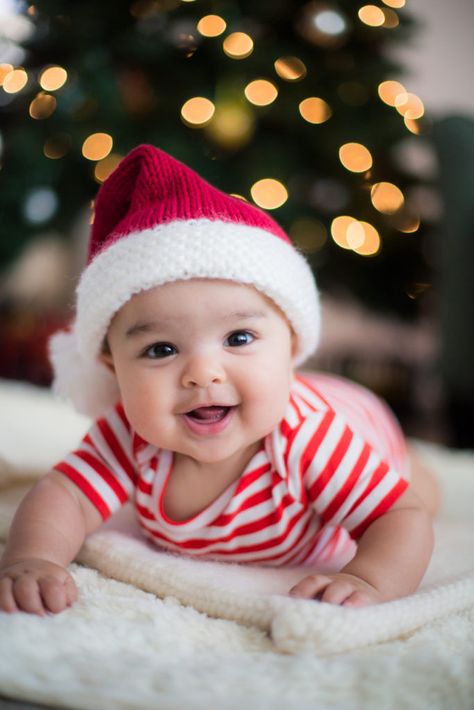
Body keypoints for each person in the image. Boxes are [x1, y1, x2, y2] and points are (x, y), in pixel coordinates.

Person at [0, 145, 439, 616]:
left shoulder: (309, 437)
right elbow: (64, 494)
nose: (203, 373)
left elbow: (396, 516)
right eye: (161, 349)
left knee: (419, 492)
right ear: (113, 367)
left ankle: (416, 462)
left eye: (239, 337)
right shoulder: (128, 431)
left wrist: (367, 579)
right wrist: (33, 557)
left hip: (359, 416)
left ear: (291, 344)